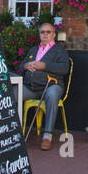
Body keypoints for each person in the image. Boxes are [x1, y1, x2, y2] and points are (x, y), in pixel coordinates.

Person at [18, 23, 70, 151]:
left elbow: (64, 68)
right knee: (13, 92)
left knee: (52, 95)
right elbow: (20, 66)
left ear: (53, 34)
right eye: (42, 32)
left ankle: (47, 135)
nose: (45, 34)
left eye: (48, 32)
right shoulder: (33, 50)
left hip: (52, 85)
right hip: (32, 87)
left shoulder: (59, 50)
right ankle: (12, 131)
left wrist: (44, 66)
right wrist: (26, 66)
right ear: (39, 35)